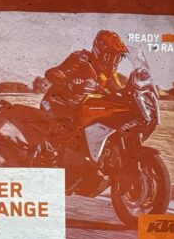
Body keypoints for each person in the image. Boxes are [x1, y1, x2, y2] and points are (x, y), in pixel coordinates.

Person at [38, 30, 129, 158]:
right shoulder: (80, 59)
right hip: (55, 103)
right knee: (68, 126)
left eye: (118, 58)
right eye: (111, 56)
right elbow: (51, 73)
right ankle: (45, 155)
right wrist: (70, 83)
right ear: (100, 52)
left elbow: (118, 90)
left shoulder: (107, 75)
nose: (114, 61)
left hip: (78, 108)